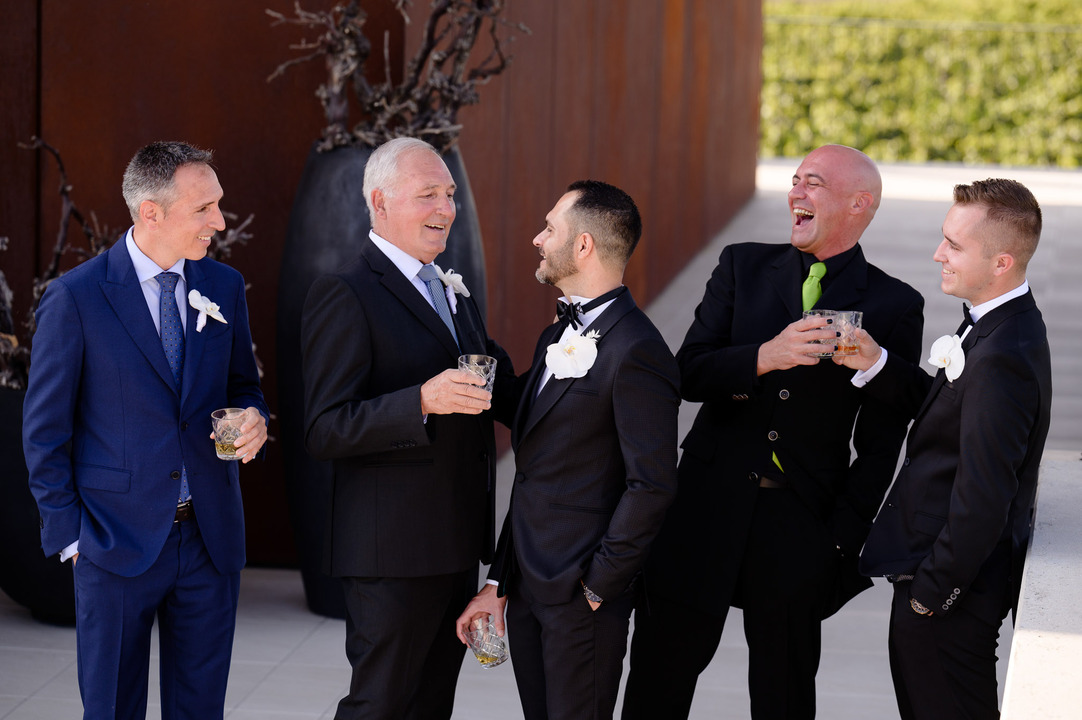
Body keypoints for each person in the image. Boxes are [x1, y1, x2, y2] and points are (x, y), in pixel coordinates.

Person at [623, 144, 925, 719]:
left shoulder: (894, 303)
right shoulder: (741, 265)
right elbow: (687, 372)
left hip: (800, 524)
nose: (796, 194)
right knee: (658, 681)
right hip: (703, 512)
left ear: (859, 204)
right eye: (794, 181)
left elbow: (888, 438)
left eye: (813, 183)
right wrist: (763, 357)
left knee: (783, 694)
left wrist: (840, 536)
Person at [23, 141, 269, 719]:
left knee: (200, 709)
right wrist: (73, 540)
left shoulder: (225, 287)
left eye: (219, 204)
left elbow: (244, 387)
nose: (220, 221)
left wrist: (252, 417)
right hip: (111, 544)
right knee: (112, 708)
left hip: (209, 540)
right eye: (203, 208)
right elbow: (43, 432)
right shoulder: (75, 298)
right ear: (150, 212)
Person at [300, 137, 515, 719]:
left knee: (430, 706)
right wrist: (420, 400)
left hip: (454, 545)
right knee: (380, 705)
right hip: (389, 553)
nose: (446, 209)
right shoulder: (344, 292)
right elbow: (324, 428)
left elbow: (500, 383)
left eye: (449, 195)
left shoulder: (451, 288)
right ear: (380, 201)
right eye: (428, 195)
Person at [455, 180, 680, 720]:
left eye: (549, 227)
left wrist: (598, 587)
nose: (537, 238)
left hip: (582, 598)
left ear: (583, 245)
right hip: (532, 584)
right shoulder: (557, 334)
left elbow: (651, 486)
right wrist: (499, 582)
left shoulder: (639, 351)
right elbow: (538, 462)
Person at [839, 178, 1052, 719]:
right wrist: (878, 364)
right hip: (936, 577)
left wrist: (931, 595)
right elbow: (953, 415)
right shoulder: (995, 325)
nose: (938, 254)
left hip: (951, 593)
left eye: (954, 245)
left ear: (1001, 262)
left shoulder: (1004, 353)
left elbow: (985, 493)